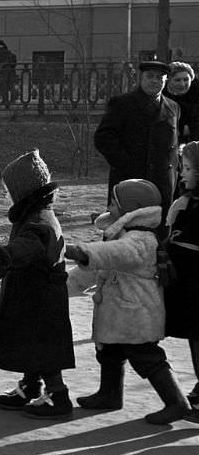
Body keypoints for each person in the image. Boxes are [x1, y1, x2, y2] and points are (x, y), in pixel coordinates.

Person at [66, 178, 191, 424]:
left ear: (130, 208)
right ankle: (109, 393)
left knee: (146, 356)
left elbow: (115, 254)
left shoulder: (141, 240)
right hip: (120, 311)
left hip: (136, 312)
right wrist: (67, 284)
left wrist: (85, 252)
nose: (110, 207)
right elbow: (99, 267)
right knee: (109, 351)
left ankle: (176, 402)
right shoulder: (121, 234)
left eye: (114, 203)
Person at [0, 150, 75, 420]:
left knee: (43, 346)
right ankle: (31, 385)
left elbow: (25, 248)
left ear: (21, 190)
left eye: (8, 189)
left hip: (40, 298)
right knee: (33, 343)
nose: (5, 194)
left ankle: (58, 394)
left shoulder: (37, 223)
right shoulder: (37, 214)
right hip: (35, 294)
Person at [94, 60, 180, 233]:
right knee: (124, 231)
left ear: (165, 81)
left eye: (160, 77)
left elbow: (174, 145)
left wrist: (174, 174)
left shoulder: (173, 107)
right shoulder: (122, 104)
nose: (155, 81)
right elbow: (103, 137)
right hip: (130, 182)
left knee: (159, 232)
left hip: (162, 182)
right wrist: (126, 163)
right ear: (140, 78)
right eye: (150, 76)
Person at [163, 141, 199, 411]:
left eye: (188, 168)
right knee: (194, 337)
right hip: (189, 285)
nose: (182, 173)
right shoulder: (188, 201)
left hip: (196, 282)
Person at [164, 61, 199, 144]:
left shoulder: (196, 93)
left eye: (186, 79)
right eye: (177, 80)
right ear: (168, 80)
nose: (182, 84)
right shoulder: (161, 96)